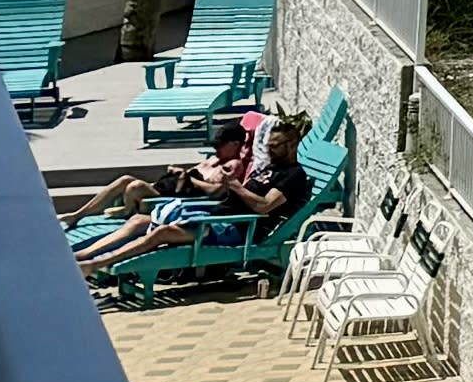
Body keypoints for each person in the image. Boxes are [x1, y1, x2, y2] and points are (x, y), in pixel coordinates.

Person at [75, 98, 303, 269]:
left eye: (276, 146)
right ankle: (86, 254)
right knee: (137, 220)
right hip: (215, 217)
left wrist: (234, 185)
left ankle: (94, 265)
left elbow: (265, 206)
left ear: (292, 146)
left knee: (162, 233)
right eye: (269, 146)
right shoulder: (270, 168)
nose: (269, 151)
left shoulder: (293, 175)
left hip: (235, 229)